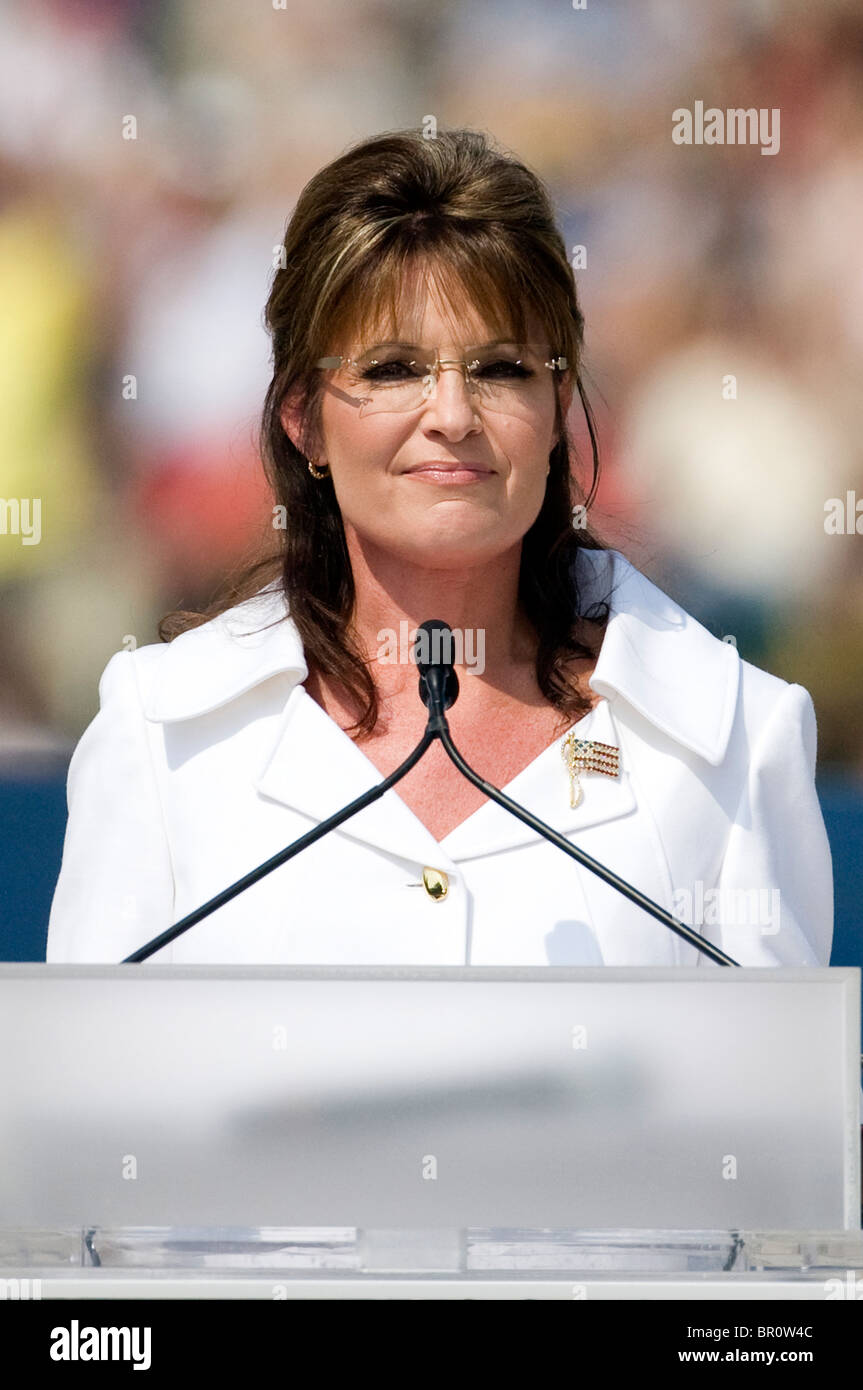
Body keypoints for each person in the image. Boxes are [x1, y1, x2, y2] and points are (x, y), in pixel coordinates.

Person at [46, 127, 832, 968]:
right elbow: (89, 1088)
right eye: (391, 369)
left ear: (557, 401)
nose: (452, 416)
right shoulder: (161, 731)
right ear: (302, 417)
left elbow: (776, 1092)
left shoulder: (738, 735)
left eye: (499, 369)